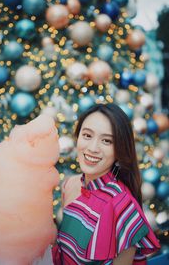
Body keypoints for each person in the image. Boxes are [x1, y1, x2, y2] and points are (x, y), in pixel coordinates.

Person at [52, 103, 160, 265]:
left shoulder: (122, 208)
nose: (93, 148)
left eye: (107, 141)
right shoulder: (70, 184)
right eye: (87, 135)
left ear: (119, 150)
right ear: (78, 137)